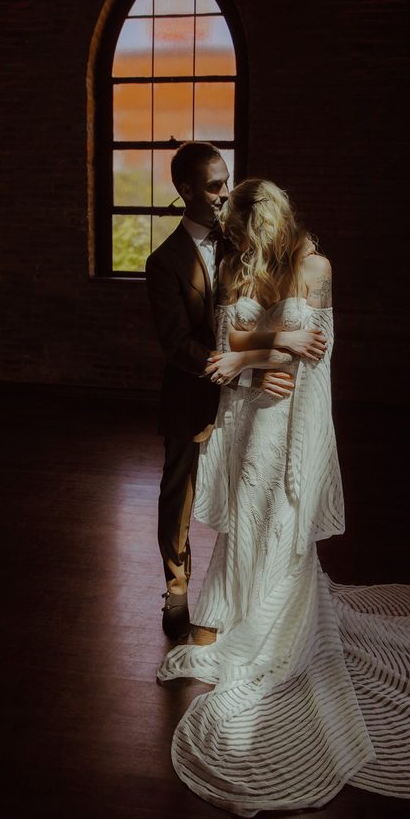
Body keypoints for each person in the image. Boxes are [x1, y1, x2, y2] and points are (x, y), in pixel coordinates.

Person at [156, 178, 410, 817]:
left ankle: (272, 622)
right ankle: (231, 611)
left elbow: (318, 357)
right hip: (249, 414)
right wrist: (267, 352)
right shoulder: (240, 266)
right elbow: (228, 347)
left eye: (247, 235)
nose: (238, 246)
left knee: (280, 522)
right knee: (245, 520)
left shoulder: (315, 267)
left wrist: (297, 417)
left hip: (291, 417)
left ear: (270, 225)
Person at [145, 143, 298, 641]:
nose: (224, 193)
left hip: (249, 399)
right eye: (213, 185)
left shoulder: (241, 239)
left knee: (254, 491)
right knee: (180, 496)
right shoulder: (163, 262)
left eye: (226, 181)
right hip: (192, 397)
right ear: (185, 190)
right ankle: (177, 590)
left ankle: (252, 591)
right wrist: (248, 372)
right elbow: (178, 346)